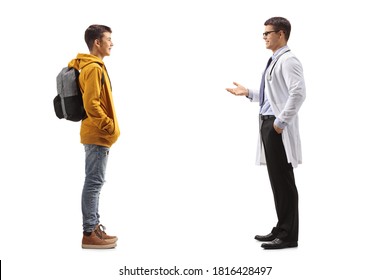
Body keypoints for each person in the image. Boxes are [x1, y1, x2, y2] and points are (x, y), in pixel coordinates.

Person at [226, 17, 305, 249]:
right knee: (277, 181)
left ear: (281, 34)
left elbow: (298, 93)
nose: (264, 37)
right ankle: (282, 228)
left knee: (284, 181)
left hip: (277, 127)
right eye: (263, 33)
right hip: (268, 124)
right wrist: (249, 92)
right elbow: (274, 95)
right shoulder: (275, 60)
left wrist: (280, 123)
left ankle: (288, 235)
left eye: (267, 33)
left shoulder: (289, 60)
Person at [68, 24, 120, 249]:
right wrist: (108, 126)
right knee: (94, 182)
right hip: (97, 134)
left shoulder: (93, 66)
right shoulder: (93, 68)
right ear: (97, 42)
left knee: (95, 182)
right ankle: (89, 232)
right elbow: (92, 104)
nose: (112, 43)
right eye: (108, 39)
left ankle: (94, 226)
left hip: (97, 134)